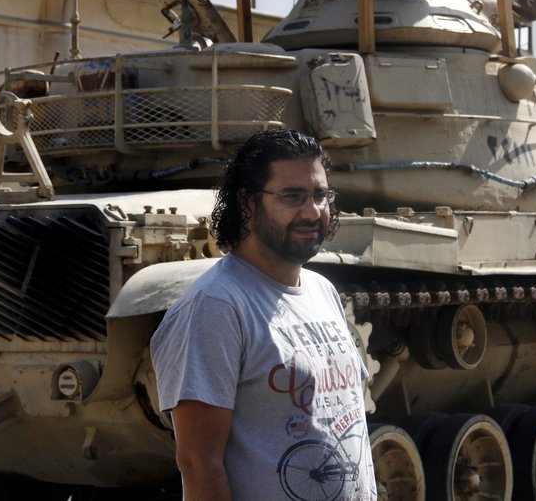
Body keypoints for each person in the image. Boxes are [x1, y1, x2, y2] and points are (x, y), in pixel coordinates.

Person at [150, 129, 377, 501]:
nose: (311, 211)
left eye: (320, 195)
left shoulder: (321, 291)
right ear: (247, 203)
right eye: (292, 196)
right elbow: (198, 463)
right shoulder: (216, 306)